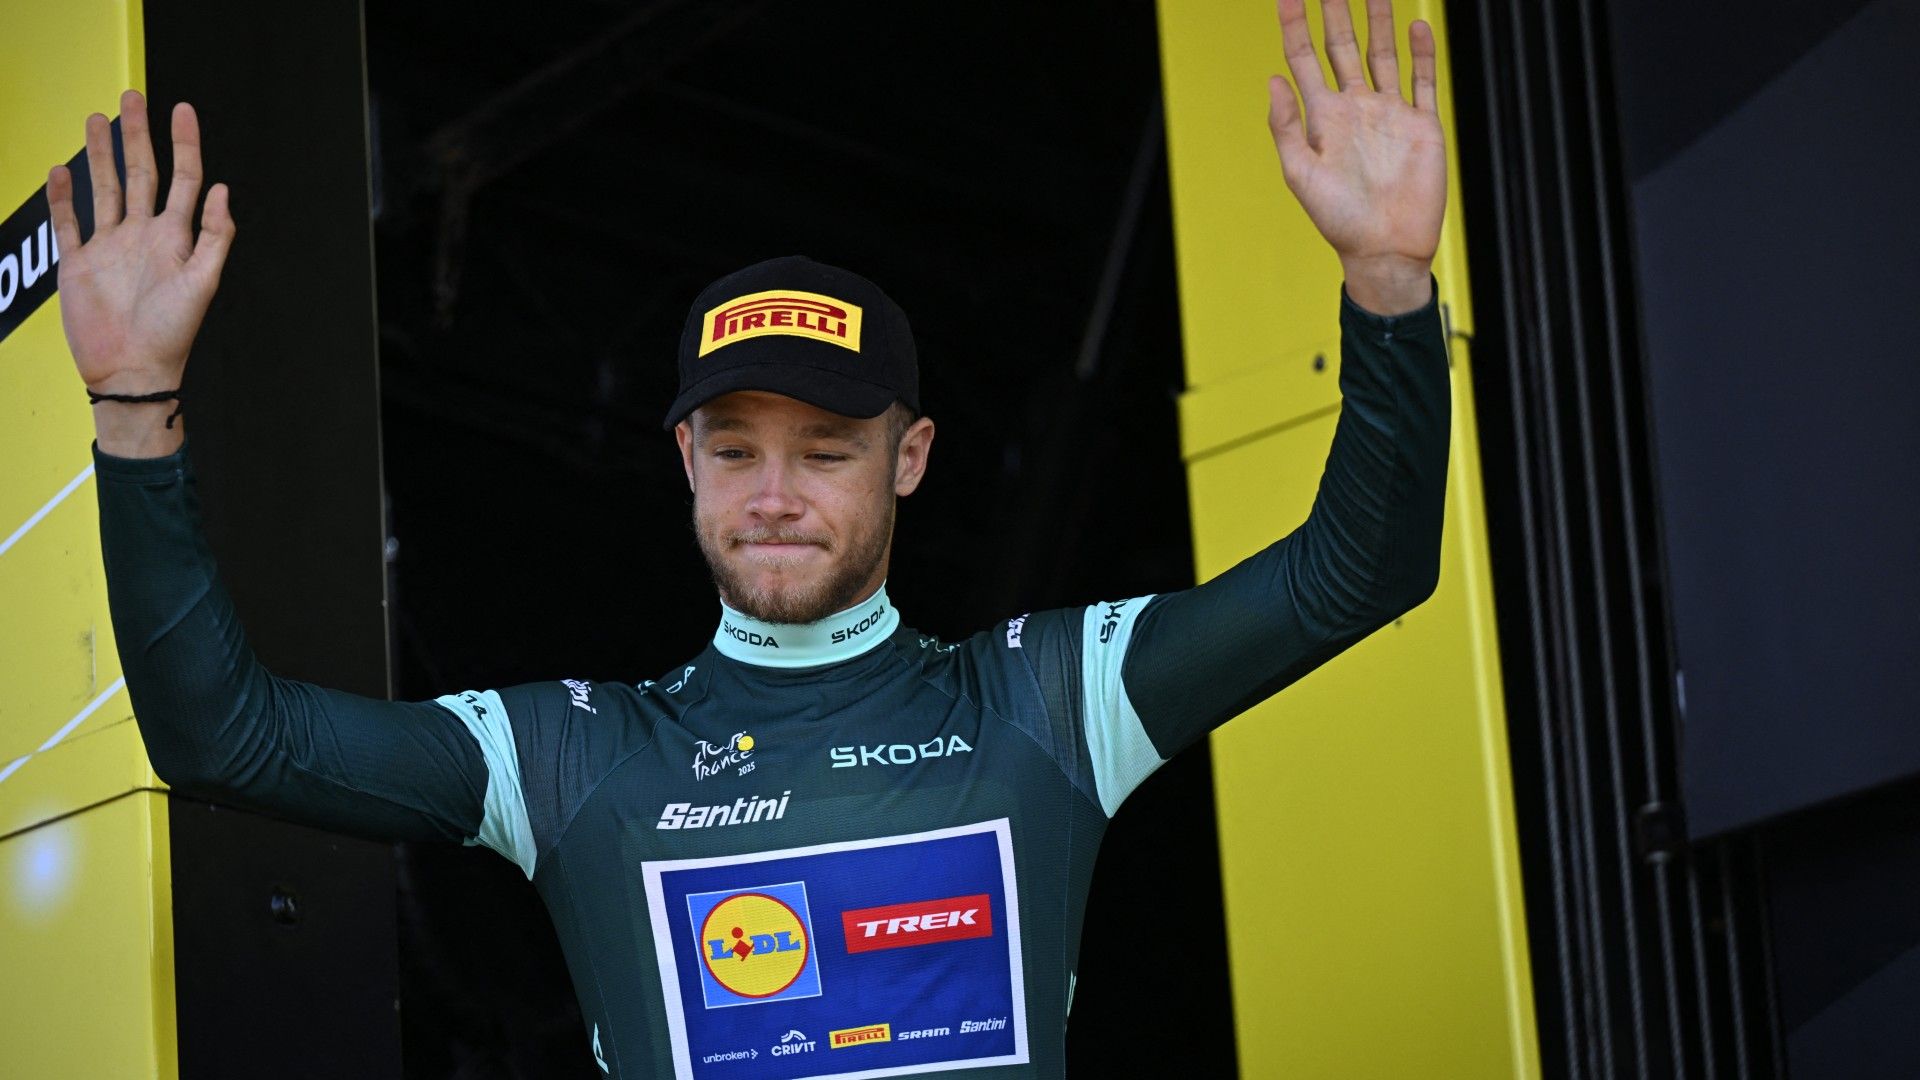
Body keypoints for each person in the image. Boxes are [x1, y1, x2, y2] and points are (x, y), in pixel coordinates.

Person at [49, 0, 1448, 1075]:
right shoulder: (572, 756)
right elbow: (224, 740)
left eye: (826, 451)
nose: (774, 494)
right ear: (684, 462)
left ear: (910, 460)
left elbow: (1361, 572)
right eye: (734, 450)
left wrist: (1388, 280)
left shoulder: (1049, 700)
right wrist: (133, 404)